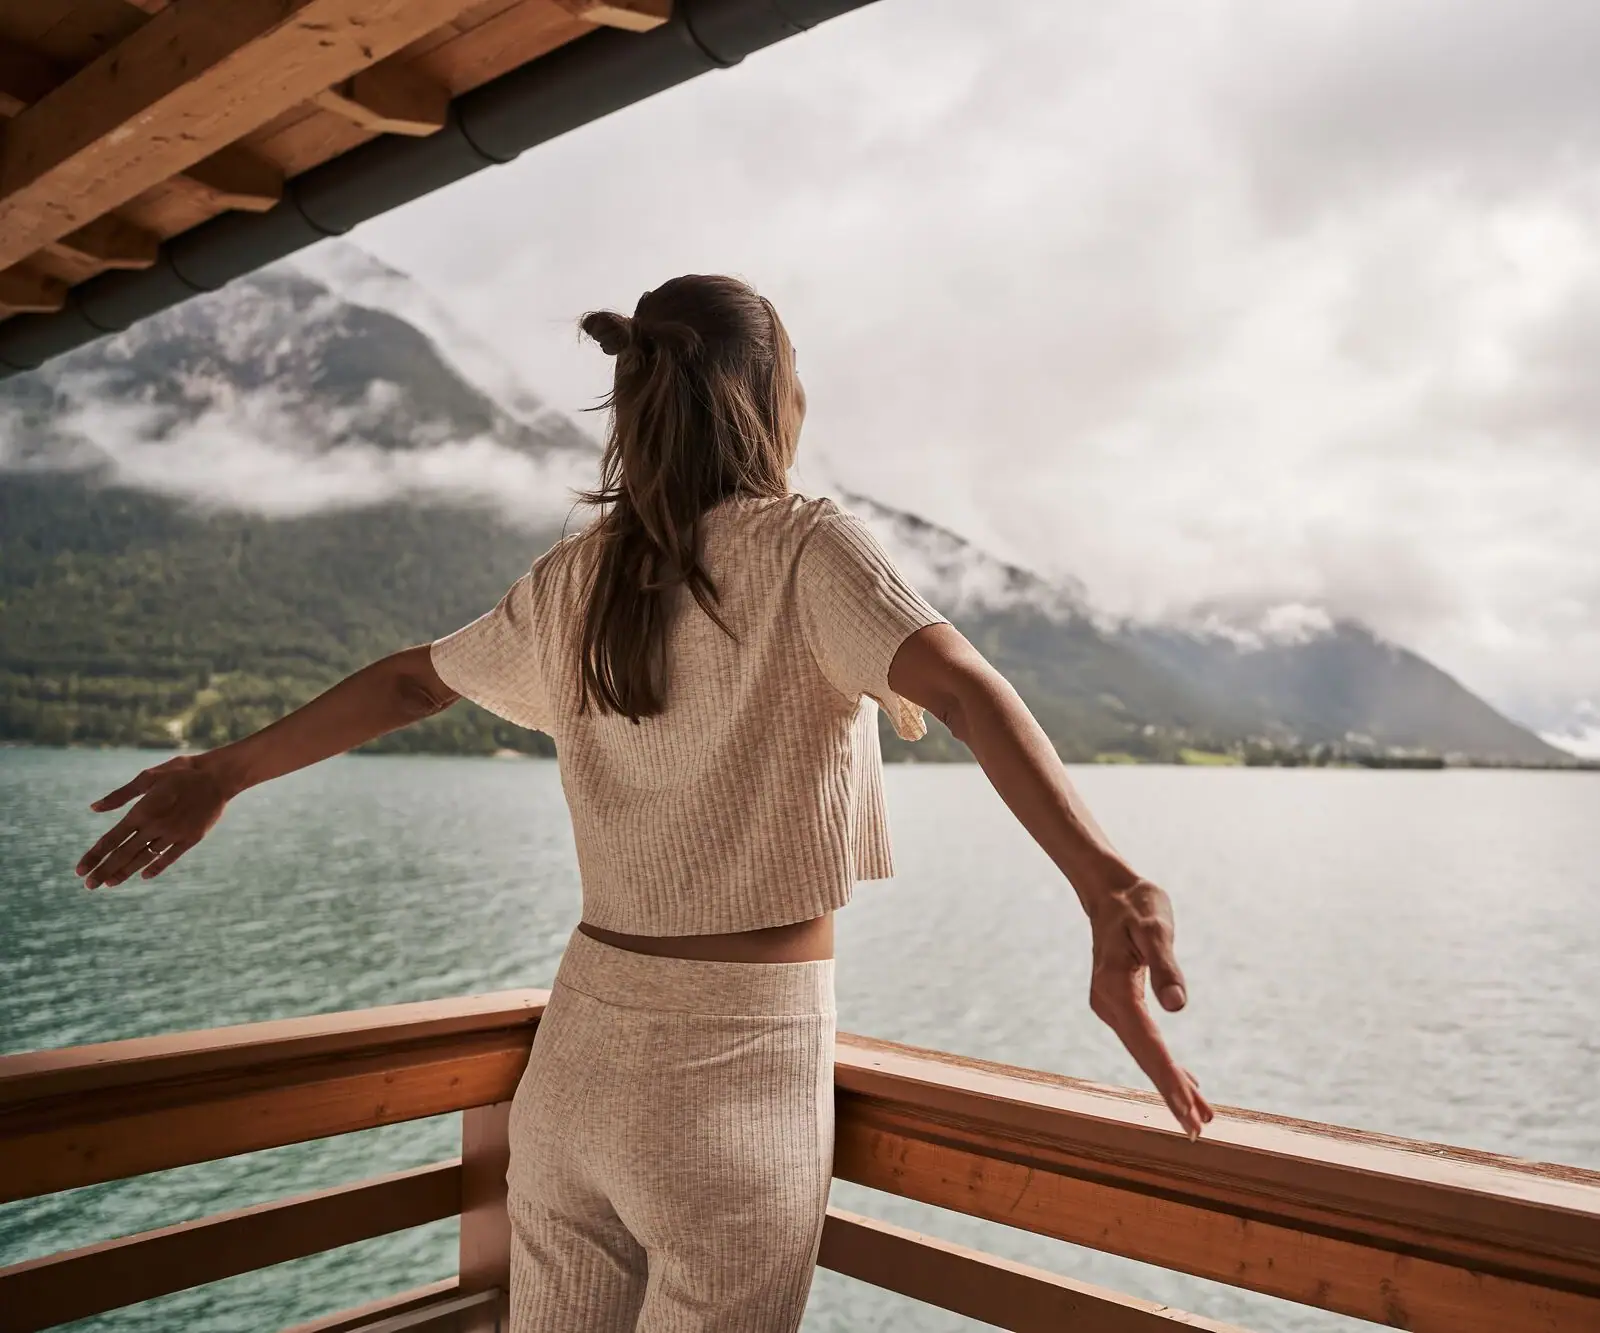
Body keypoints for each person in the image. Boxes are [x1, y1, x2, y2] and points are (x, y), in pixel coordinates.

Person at [72, 274, 1212, 1333]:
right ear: (769, 397)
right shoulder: (806, 547)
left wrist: (221, 771)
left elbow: (414, 679)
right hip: (737, 1077)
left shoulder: (577, 578)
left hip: (572, 1076)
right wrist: (1106, 881)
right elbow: (963, 688)